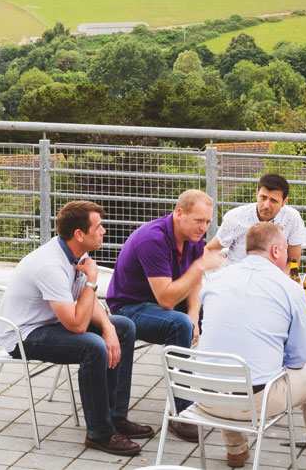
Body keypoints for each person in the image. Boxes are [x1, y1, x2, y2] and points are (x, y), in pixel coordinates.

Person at [197, 223, 306, 470]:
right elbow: (299, 358)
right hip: (254, 404)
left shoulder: (215, 279)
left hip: (203, 396)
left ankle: (235, 451)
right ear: (275, 251)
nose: (289, 255)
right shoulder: (290, 288)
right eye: (286, 249)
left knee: (228, 362)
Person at [0, 200, 151, 456]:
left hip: (52, 322)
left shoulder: (77, 254)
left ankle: (116, 417)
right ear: (79, 234)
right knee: (93, 347)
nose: (104, 231)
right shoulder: (51, 265)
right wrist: (92, 281)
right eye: (99, 227)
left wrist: (109, 329)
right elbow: (78, 325)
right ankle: (99, 433)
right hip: (24, 334)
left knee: (123, 326)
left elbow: (87, 305)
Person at [105, 188, 226, 441]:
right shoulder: (154, 239)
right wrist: (200, 266)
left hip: (159, 305)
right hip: (129, 307)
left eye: (207, 221)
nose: (204, 228)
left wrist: (195, 313)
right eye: (198, 220)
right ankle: (181, 412)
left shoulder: (193, 238)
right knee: (179, 324)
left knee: (218, 312)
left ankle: (220, 394)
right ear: (179, 213)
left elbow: (194, 283)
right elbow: (167, 298)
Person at [211, 173, 306, 264]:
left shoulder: (292, 218)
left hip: (274, 277)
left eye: (273, 201)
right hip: (239, 276)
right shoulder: (236, 217)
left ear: (284, 202)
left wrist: (280, 279)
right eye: (263, 197)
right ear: (257, 193)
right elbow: (210, 249)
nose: (266, 205)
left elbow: (293, 261)